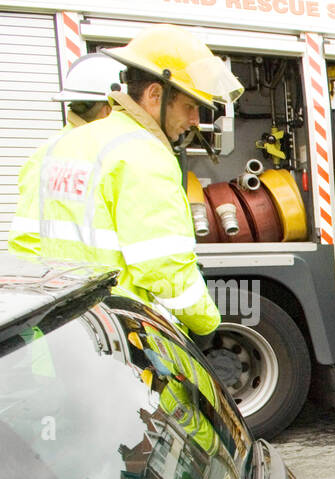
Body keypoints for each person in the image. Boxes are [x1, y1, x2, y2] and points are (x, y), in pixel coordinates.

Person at [7, 25, 242, 344]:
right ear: (155, 95)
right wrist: (205, 324)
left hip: (57, 339)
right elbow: (164, 269)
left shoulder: (51, 150)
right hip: (118, 339)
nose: (193, 121)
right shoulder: (144, 156)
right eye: (189, 106)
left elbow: (24, 249)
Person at [9, 53, 121, 259]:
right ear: (107, 111)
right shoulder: (55, 154)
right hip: (79, 287)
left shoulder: (50, 153)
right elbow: (27, 239)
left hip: (94, 286)